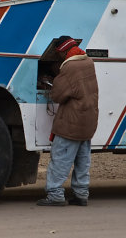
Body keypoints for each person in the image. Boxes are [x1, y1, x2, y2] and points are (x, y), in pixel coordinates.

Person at [37, 36, 99, 207]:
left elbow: (58, 94)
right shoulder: (88, 62)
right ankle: (81, 194)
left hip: (71, 122)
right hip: (89, 119)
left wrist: (51, 78)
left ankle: (55, 194)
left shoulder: (70, 66)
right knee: (82, 160)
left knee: (60, 158)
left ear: (63, 51)